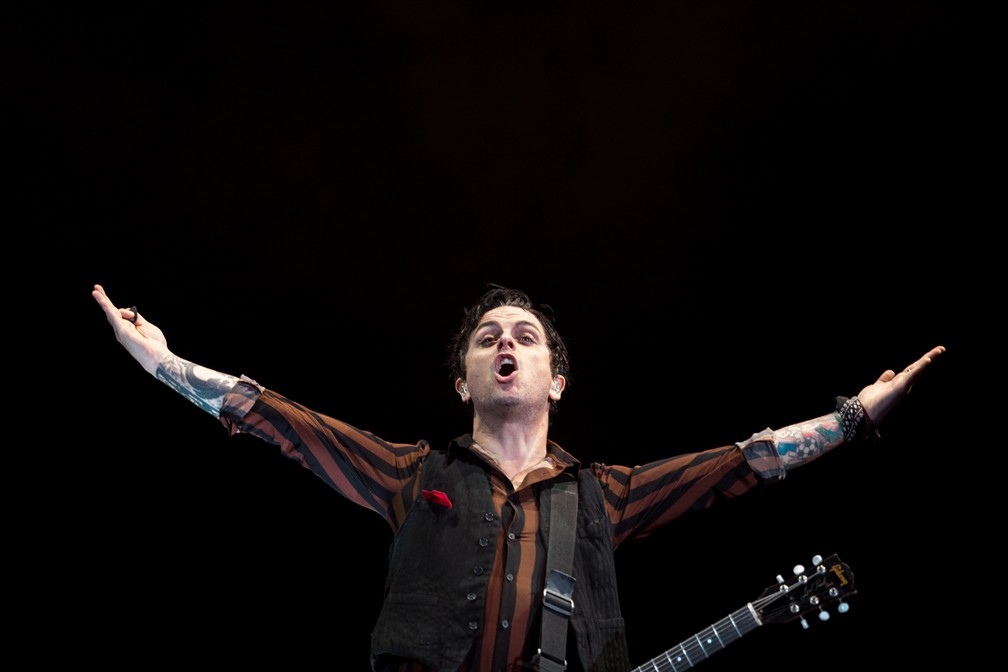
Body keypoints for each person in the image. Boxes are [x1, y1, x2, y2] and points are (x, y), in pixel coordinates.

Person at [91, 282, 945, 672]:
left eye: (526, 336)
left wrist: (854, 416)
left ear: (557, 381)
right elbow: (277, 419)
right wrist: (164, 365)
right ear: (463, 380)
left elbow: (743, 464)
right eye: (488, 336)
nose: (506, 342)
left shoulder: (602, 494)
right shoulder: (410, 473)